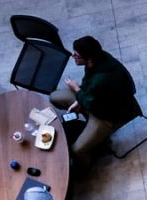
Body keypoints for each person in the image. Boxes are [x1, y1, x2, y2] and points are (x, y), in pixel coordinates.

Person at [50, 36, 138, 170]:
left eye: (77, 55)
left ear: (89, 58)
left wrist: (77, 90)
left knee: (77, 150)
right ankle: (91, 131)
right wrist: (80, 97)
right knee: (55, 97)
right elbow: (88, 85)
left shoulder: (101, 80)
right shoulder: (97, 60)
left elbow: (91, 103)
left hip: (110, 116)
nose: (73, 56)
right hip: (98, 102)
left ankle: (84, 169)